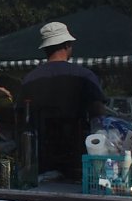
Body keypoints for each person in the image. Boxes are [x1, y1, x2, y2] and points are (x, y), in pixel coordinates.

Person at [16, 21, 106, 179]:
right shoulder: (84, 76)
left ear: (45, 48)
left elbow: (20, 118)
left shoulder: (29, 79)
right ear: (67, 45)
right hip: (77, 161)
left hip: (39, 161)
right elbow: (98, 115)